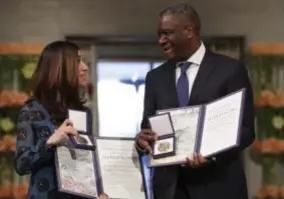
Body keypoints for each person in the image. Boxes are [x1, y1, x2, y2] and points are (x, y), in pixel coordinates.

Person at [136, 3, 255, 199]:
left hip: (218, 187)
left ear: (189, 31)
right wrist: (142, 141)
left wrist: (212, 155)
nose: (161, 40)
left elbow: (246, 130)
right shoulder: (155, 77)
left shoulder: (230, 70)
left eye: (167, 33)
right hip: (170, 190)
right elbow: (147, 127)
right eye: (159, 34)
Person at [14, 41, 109, 199]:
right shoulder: (32, 110)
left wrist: (99, 191)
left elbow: (85, 163)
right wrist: (50, 143)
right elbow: (21, 164)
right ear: (61, 67)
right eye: (78, 61)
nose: (85, 67)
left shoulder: (84, 112)